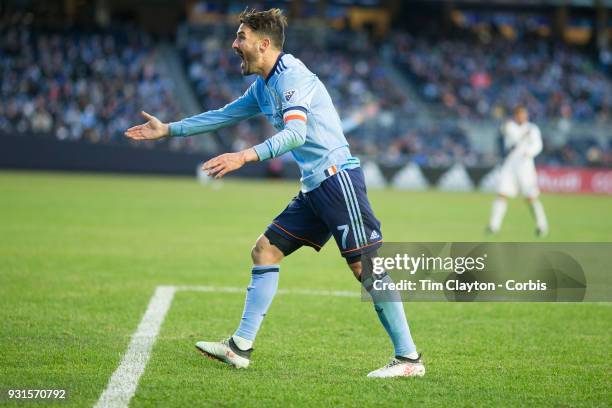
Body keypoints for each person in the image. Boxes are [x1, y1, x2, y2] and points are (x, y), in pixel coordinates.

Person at [125, 8, 424, 378]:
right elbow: (222, 115)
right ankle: (240, 347)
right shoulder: (264, 86)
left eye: (241, 38)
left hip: (338, 179)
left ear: (264, 44)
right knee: (264, 250)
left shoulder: (292, 76)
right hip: (315, 187)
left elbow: (297, 134)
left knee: (366, 267)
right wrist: (168, 129)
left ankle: (409, 360)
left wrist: (243, 156)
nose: (234, 45)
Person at [487, 106, 549, 236]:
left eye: (524, 114)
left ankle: (542, 225)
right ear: (515, 115)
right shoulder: (510, 126)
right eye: (519, 114)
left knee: (531, 197)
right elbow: (509, 134)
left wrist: (529, 152)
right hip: (510, 164)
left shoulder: (532, 129)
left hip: (525, 165)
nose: (522, 116)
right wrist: (522, 136)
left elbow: (538, 145)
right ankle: (493, 226)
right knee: (502, 194)